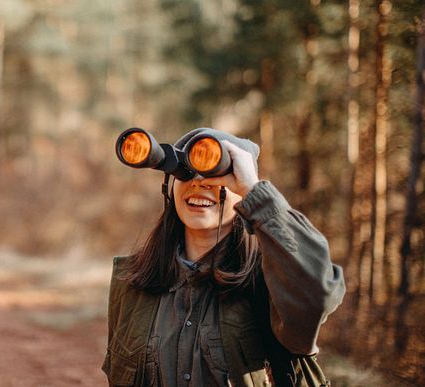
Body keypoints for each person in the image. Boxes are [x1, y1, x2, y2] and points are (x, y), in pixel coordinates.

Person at [102, 128, 345, 387]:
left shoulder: (271, 283)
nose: (198, 183)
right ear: (170, 186)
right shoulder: (133, 280)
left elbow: (317, 294)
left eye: (214, 175)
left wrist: (253, 189)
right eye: (186, 173)